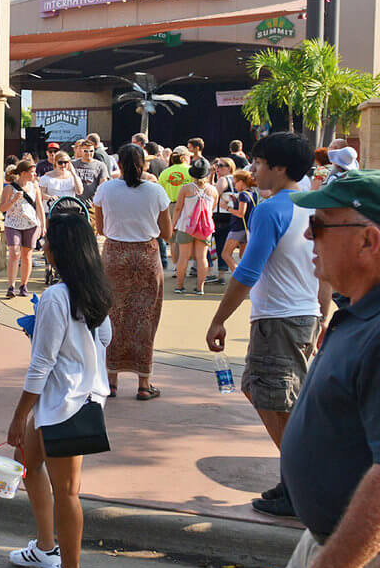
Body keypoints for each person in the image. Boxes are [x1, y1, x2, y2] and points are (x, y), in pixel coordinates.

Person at [271, 169, 380, 568]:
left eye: (319, 225)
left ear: (369, 240)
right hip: (338, 550)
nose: (309, 238)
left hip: (372, 564)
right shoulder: (367, 307)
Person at [204, 132, 326, 518]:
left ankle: (302, 484)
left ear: (280, 167)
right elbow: (325, 271)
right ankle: (296, 477)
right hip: (301, 316)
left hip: (278, 320)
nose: (253, 170)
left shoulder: (271, 210)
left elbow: (248, 271)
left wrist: (219, 319)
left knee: (273, 398)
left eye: (259, 163)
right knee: (271, 395)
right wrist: (322, 313)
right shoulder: (315, 204)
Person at [6, 206, 114, 568]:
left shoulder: (56, 296)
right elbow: (103, 341)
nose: (43, 244)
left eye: (48, 240)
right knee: (28, 463)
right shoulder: (94, 290)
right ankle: (46, 546)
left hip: (65, 402)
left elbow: (41, 366)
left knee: (67, 491)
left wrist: (19, 415)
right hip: (70, 398)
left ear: (60, 250)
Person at [91, 144, 172, 401]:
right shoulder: (156, 191)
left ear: (120, 165)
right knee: (145, 316)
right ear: (144, 164)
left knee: (113, 314)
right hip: (146, 256)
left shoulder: (106, 189)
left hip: (115, 256)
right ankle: (144, 383)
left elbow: (101, 228)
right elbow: (167, 233)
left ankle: (111, 380)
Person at [172, 158, 219, 294]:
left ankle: (180, 286)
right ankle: (200, 287)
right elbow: (212, 209)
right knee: (202, 257)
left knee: (183, 257)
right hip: (205, 229)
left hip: (186, 226)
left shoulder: (186, 189)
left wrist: (173, 224)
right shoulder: (213, 190)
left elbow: (178, 208)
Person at [1, 161, 46, 299]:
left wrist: (43, 225)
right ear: (23, 173)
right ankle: (11, 286)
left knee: (27, 255)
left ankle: (23, 285)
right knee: (14, 253)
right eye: (32, 172)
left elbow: (39, 206)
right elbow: (2, 208)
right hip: (13, 224)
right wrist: (13, 200)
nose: (35, 174)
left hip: (31, 224)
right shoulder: (9, 188)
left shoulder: (34, 187)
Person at [219, 169, 257, 277]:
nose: (234, 185)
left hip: (238, 228)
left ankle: (239, 277)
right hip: (247, 229)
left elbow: (241, 213)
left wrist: (227, 207)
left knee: (225, 254)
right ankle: (247, 276)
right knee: (243, 256)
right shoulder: (252, 193)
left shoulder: (243, 195)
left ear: (241, 182)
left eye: (235, 182)